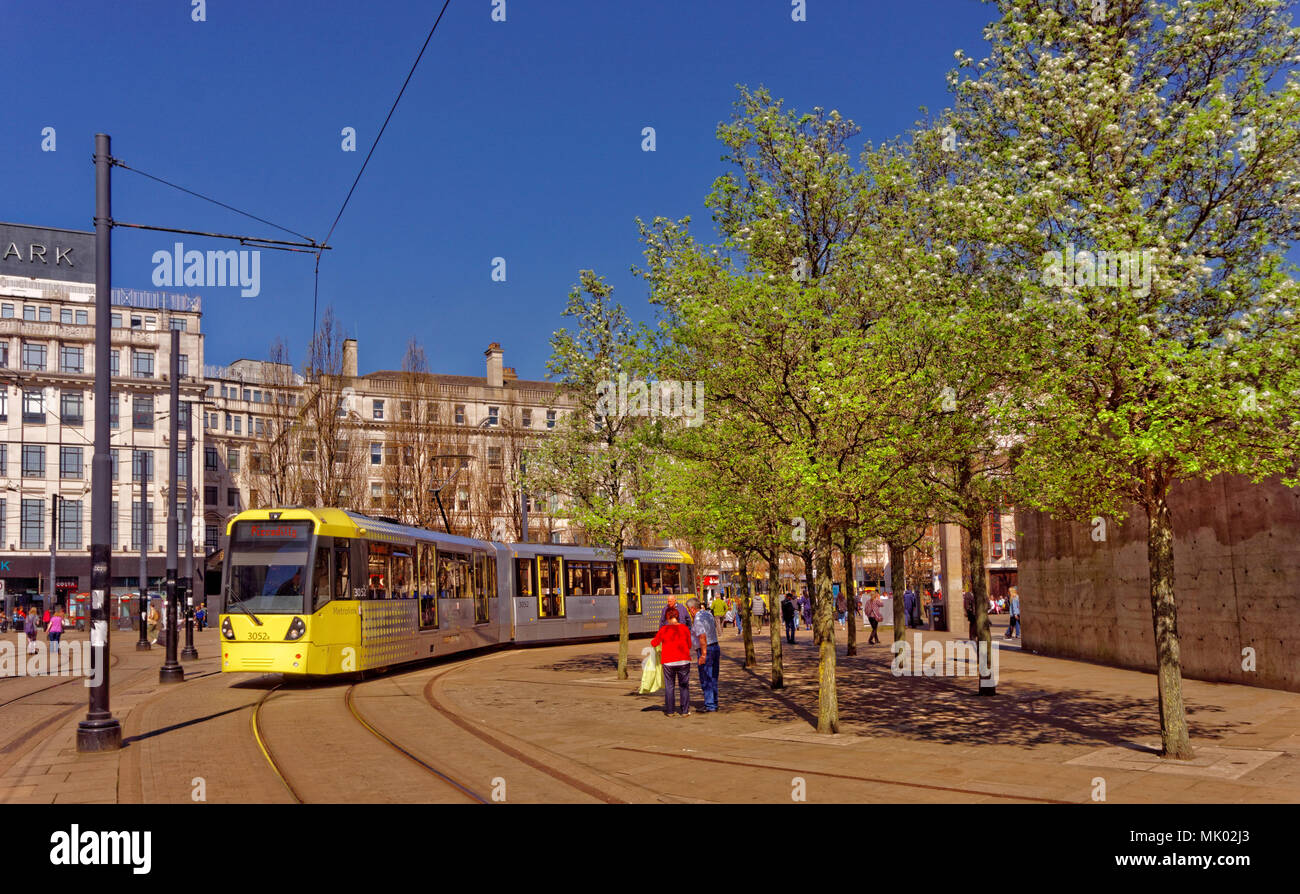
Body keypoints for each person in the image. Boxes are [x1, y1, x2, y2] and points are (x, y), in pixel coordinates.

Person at [650, 607, 692, 716]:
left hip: (668, 662)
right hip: (683, 661)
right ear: (677, 617)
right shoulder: (684, 628)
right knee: (684, 686)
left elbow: (654, 643)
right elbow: (690, 645)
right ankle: (685, 711)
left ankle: (670, 711)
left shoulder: (664, 629)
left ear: (667, 617)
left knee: (669, 686)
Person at [686, 597, 719, 712]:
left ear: (692, 609)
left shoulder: (698, 619)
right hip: (715, 646)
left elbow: (702, 636)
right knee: (713, 676)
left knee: (706, 677)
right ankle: (714, 702)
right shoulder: (708, 614)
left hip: (706, 649)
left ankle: (710, 704)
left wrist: (703, 655)